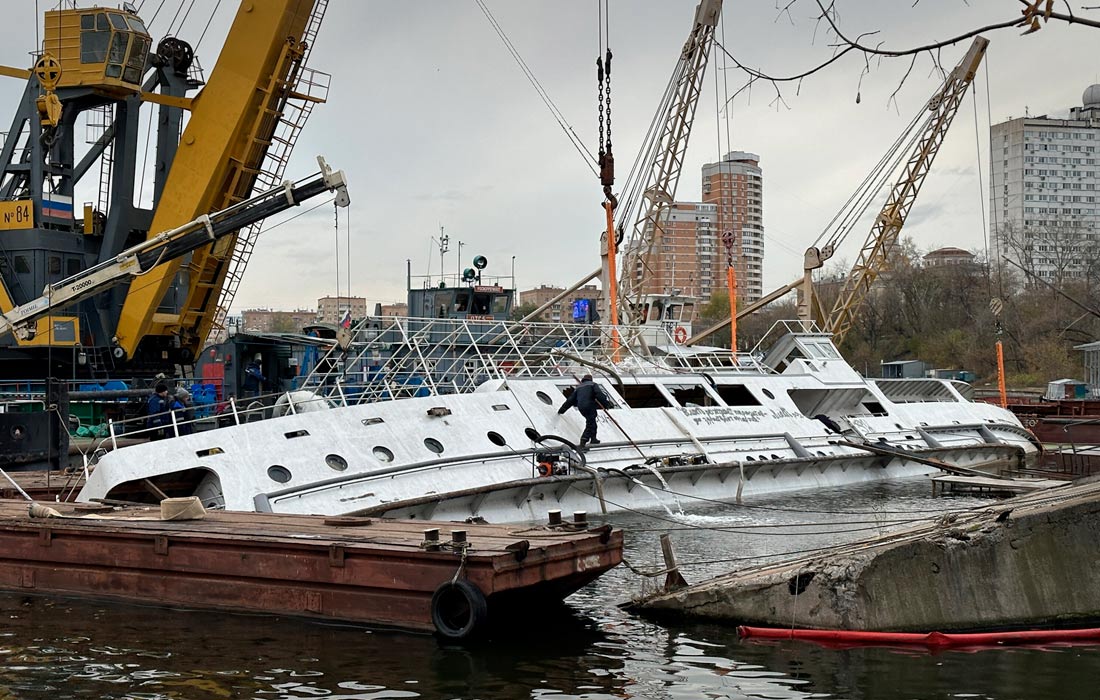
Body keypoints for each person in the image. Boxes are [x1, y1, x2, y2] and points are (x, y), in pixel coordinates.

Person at [557, 374, 612, 448]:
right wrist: (606, 404)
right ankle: (583, 442)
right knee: (590, 423)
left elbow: (570, 400)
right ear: (591, 379)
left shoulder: (578, 388)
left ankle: (593, 439)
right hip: (589, 406)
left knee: (591, 421)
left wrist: (562, 410)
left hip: (581, 407)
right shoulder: (593, 385)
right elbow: (599, 395)